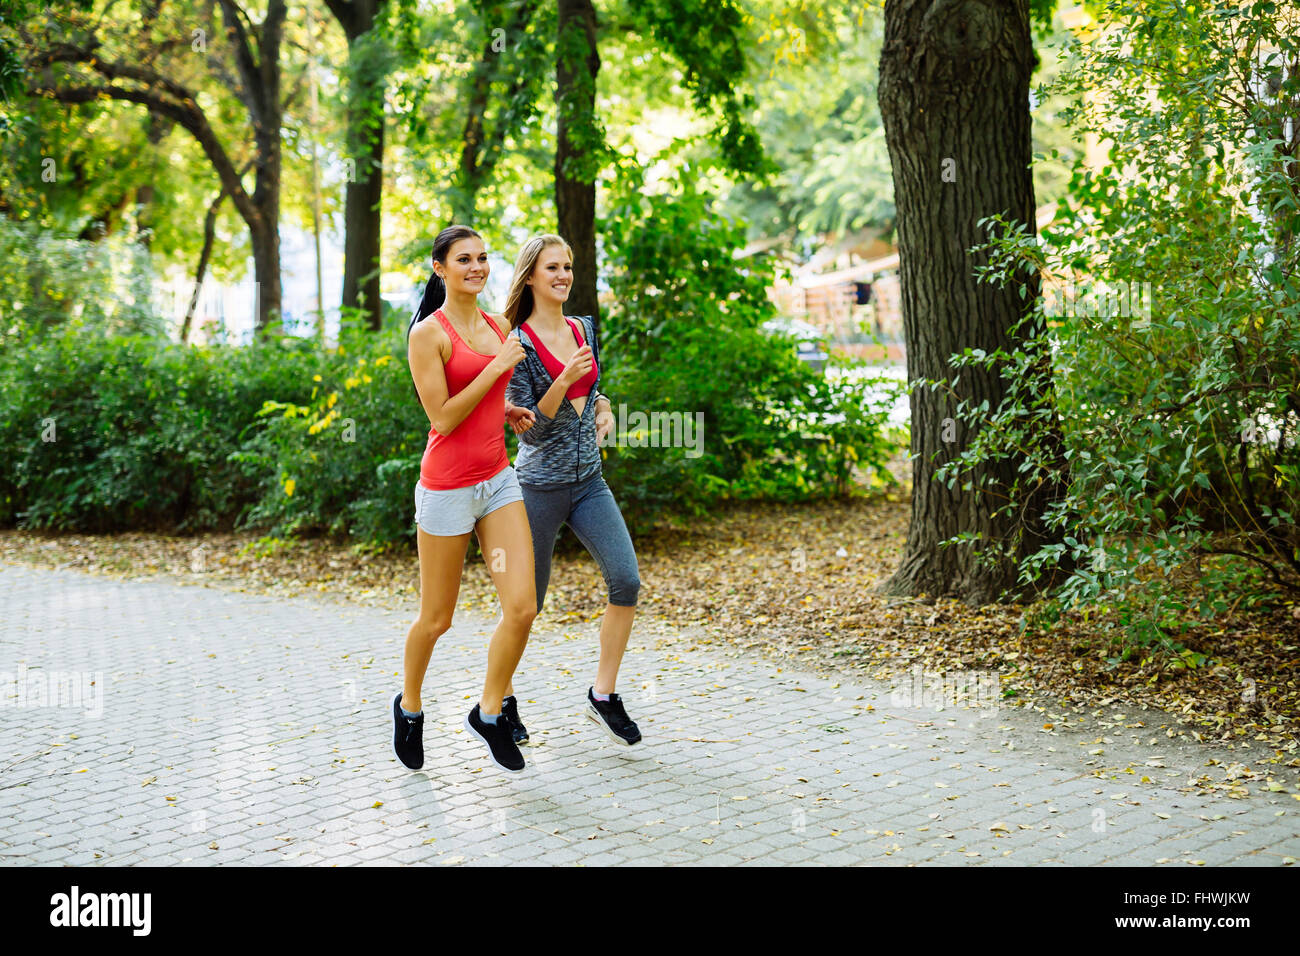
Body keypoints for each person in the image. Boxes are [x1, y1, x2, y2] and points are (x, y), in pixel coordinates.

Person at [392, 224, 539, 773]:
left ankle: (491, 712)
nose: (477, 267)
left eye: (482, 258)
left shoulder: (497, 323)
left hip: (497, 481)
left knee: (522, 605)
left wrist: (505, 409)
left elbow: (480, 397)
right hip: (448, 490)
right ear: (440, 268)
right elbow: (442, 416)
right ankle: (409, 707)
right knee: (437, 618)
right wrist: (501, 368)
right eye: (463, 259)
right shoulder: (428, 334)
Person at [500, 234, 643, 746]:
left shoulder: (583, 327)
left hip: (589, 484)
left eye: (568, 266)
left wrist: (602, 407)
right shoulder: (515, 342)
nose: (563, 275)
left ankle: (603, 696)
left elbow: (594, 388)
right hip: (537, 488)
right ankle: (500, 700)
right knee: (525, 604)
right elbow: (528, 429)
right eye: (552, 268)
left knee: (626, 581)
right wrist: (561, 381)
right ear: (531, 277)